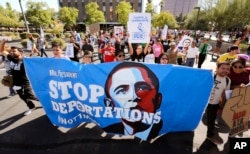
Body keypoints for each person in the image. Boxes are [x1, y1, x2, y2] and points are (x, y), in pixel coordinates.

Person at [103, 62, 163, 141]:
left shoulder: (170, 135)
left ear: (158, 100)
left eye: (142, 88)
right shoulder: (105, 134)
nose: (133, 96)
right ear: (109, 104)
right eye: (122, 90)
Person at [0, 40, 38, 115]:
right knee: (22, 96)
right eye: (11, 51)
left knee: (30, 96)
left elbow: (39, 64)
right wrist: (3, 42)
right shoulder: (11, 58)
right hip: (15, 82)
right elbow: (2, 51)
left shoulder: (25, 60)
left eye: (14, 51)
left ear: (20, 52)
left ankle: (47, 104)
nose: (11, 53)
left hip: (24, 83)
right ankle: (32, 107)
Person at [205, 62, 231, 144]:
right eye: (223, 68)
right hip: (203, 102)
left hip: (214, 104)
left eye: (227, 69)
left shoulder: (227, 80)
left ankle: (209, 135)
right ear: (217, 68)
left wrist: (222, 104)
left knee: (211, 120)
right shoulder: (210, 75)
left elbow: (225, 93)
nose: (225, 70)